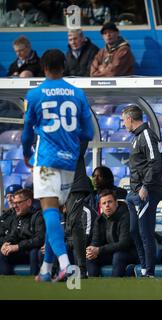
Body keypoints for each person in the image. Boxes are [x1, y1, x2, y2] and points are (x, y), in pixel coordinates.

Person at [21, 48, 94, 282]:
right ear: (64, 66)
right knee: (56, 213)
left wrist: (26, 155)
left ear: (43, 68)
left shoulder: (34, 95)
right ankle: (46, 269)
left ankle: (66, 265)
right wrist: (72, 150)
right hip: (69, 162)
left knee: (49, 211)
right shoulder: (78, 93)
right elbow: (88, 132)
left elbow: (25, 134)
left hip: (46, 159)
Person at [121, 105, 162, 278]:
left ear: (130, 119)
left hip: (145, 191)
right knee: (133, 231)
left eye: (124, 120)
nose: (123, 124)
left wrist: (145, 186)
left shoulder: (146, 135)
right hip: (134, 191)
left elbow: (155, 162)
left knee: (145, 232)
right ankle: (144, 266)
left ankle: (149, 271)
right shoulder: (136, 137)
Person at [64, 140, 96, 279]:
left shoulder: (75, 129)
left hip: (75, 185)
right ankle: (56, 268)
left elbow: (76, 151)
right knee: (56, 222)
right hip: (58, 183)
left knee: (74, 224)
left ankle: (81, 269)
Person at [86, 189, 136, 277]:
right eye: (104, 203)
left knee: (118, 255)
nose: (107, 206)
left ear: (116, 203)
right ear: (100, 206)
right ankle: (93, 286)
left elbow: (124, 243)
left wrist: (99, 250)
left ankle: (115, 285)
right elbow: (95, 242)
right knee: (91, 258)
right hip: (111, 252)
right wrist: (92, 250)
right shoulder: (99, 220)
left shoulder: (126, 216)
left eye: (110, 202)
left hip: (130, 252)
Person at [0, 189, 45, 275]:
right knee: (3, 253)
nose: (15, 206)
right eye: (14, 203)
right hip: (21, 251)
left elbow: (39, 239)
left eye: (18, 203)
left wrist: (18, 246)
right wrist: (5, 244)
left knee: (34, 252)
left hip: (31, 251)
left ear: (28, 202)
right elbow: (13, 235)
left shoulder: (38, 215)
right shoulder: (17, 216)